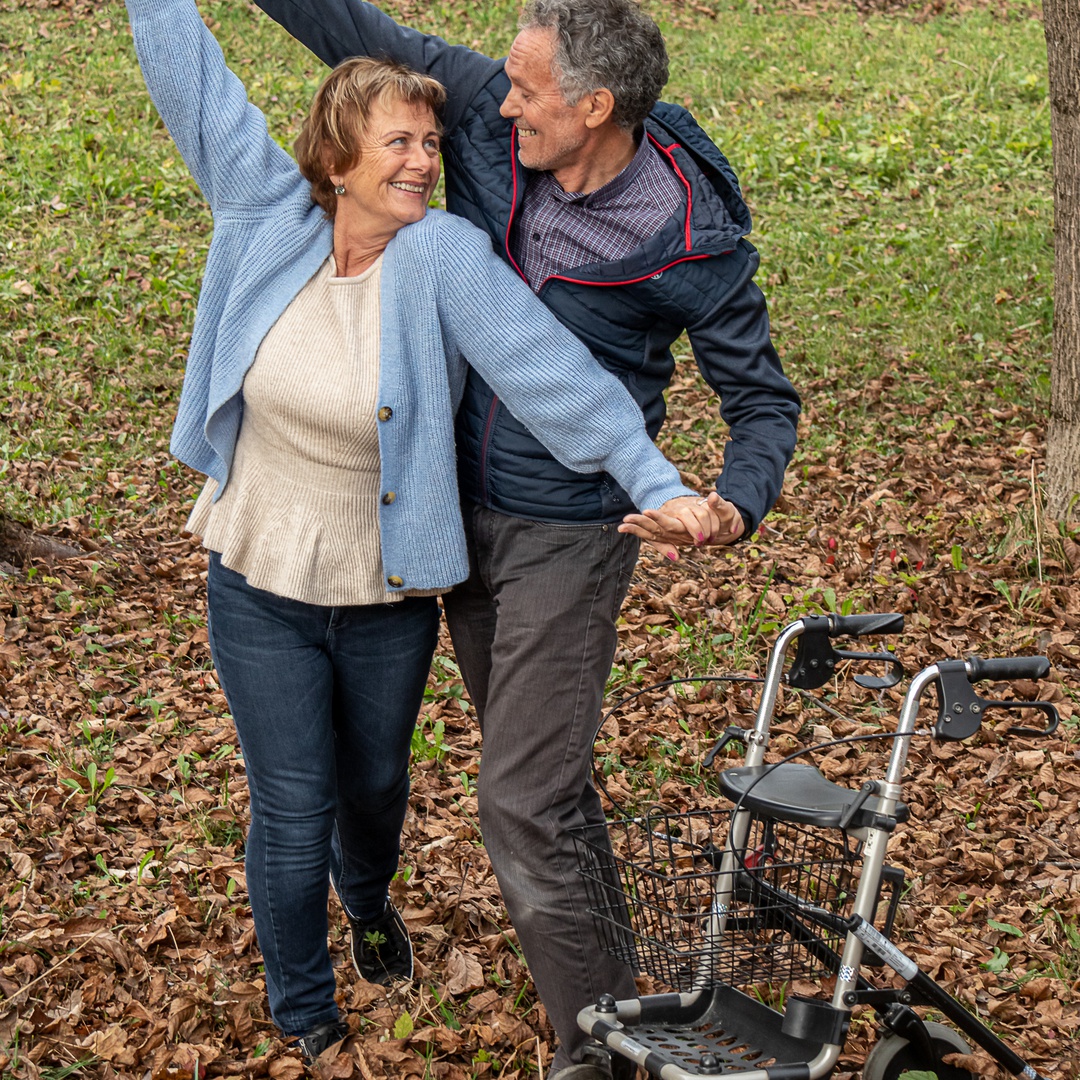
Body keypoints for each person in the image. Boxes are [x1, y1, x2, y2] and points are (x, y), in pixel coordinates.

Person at [123, 0, 725, 1067]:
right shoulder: (264, 216)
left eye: (431, 146)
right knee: (292, 804)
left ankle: (369, 903)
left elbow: (554, 376)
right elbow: (195, 84)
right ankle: (304, 1007)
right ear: (338, 155)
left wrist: (655, 478)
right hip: (259, 575)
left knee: (374, 795)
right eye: (398, 143)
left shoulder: (440, 254)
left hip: (385, 594)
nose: (422, 163)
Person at [253, 1, 802, 1076]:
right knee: (549, 789)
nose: (496, 104)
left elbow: (762, 401)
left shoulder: (686, 234)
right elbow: (344, 21)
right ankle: (617, 1000)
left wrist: (736, 503)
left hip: (572, 532)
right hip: (453, 518)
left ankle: (589, 1050)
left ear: (593, 107)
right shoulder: (494, 125)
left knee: (520, 795)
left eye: (526, 89)